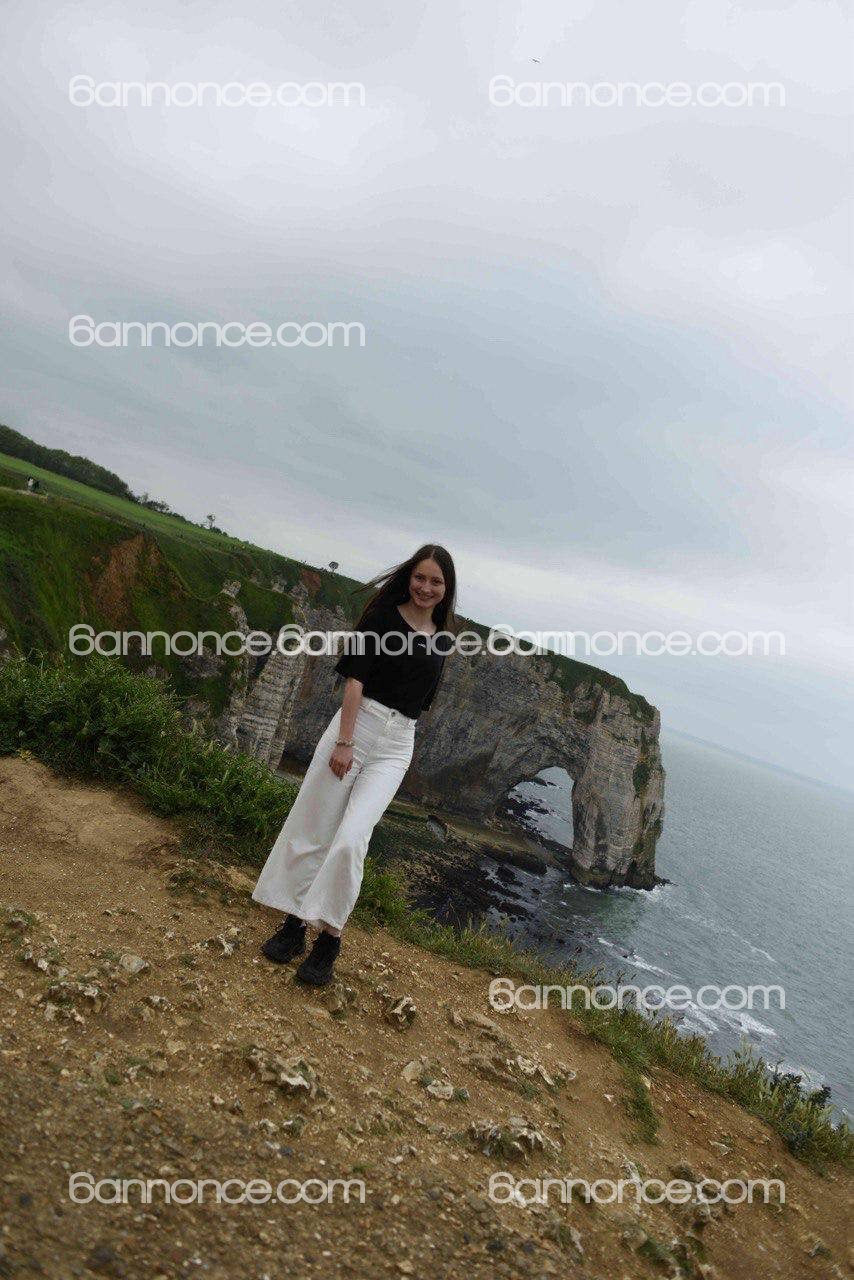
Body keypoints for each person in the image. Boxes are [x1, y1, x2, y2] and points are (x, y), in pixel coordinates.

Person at [252, 544, 457, 985]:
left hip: (397, 744)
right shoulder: (381, 618)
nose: (425, 587)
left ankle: (330, 938)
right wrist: (345, 742)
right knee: (317, 829)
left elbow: (420, 703)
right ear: (409, 577)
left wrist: (394, 737)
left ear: (447, 588)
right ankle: (294, 924)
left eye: (435, 581)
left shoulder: (443, 639)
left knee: (350, 840)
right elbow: (355, 680)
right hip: (355, 727)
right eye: (420, 577)